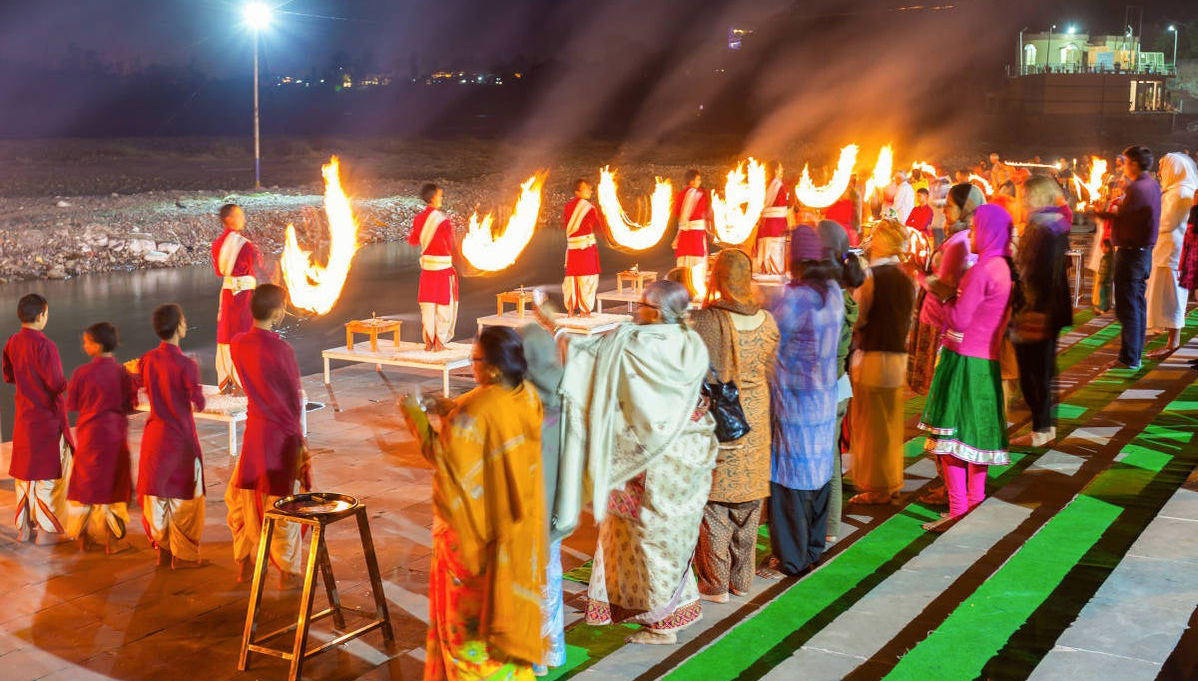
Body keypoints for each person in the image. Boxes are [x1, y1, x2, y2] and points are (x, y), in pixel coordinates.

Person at [558, 280, 717, 645]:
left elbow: (586, 357)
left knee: (647, 542)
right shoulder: (688, 340)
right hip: (685, 456)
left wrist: (558, 332)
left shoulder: (638, 345)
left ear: (657, 312)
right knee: (669, 540)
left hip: (645, 463)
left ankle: (661, 625)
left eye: (642, 305)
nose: (636, 312)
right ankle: (674, 607)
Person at [406, 326, 548, 679]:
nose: (471, 366)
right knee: (505, 618)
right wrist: (449, 408)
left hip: (472, 538)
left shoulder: (476, 408)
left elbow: (445, 459)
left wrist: (415, 417)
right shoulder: (527, 396)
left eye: (475, 360)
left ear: (495, 368)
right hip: (515, 531)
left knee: (469, 635)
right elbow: (489, 434)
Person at [919, 205, 1014, 531]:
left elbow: (959, 319)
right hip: (987, 361)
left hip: (962, 360)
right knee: (976, 441)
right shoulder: (1002, 267)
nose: (970, 235)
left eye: (975, 229)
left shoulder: (981, 270)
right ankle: (974, 505)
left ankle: (959, 509)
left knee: (952, 443)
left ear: (988, 232)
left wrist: (936, 293)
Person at [691, 249, 779, 598]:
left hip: (723, 420)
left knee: (715, 506)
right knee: (749, 504)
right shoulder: (768, 321)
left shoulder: (708, 320)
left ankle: (715, 583)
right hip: (755, 418)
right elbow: (771, 365)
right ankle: (742, 581)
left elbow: (697, 370)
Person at [759, 226, 842, 577]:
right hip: (824, 398)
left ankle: (790, 558)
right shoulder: (832, 292)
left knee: (789, 482)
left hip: (795, 404)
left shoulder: (795, 298)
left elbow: (767, 333)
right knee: (819, 476)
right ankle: (811, 548)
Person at [225, 284, 311, 586]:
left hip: (255, 433)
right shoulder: (282, 349)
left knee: (245, 500)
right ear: (277, 312)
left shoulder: (237, 343)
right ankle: (288, 572)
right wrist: (300, 440)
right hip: (280, 436)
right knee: (282, 503)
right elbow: (291, 398)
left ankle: (245, 563)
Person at [517, 295, 568, 677]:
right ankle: (548, 654)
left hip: (523, 514)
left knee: (524, 584)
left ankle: (526, 653)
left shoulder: (518, 405)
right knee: (549, 580)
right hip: (554, 514)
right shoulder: (564, 398)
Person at [848, 220, 915, 505]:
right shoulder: (906, 276)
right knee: (890, 424)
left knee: (872, 425)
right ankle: (891, 480)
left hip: (874, 355)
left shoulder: (871, 276)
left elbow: (858, 317)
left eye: (874, 236)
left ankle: (877, 487)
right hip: (898, 356)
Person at [138, 304, 207, 568]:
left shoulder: (147, 359)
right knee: (185, 500)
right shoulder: (186, 364)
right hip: (180, 439)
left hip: (155, 437)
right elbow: (198, 402)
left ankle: (163, 550)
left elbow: (139, 383)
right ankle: (184, 555)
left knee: (158, 496)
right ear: (179, 327)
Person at [3, 293, 72, 544]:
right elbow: (56, 383)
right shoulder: (45, 345)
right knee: (48, 475)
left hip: (24, 417)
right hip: (46, 418)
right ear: (41, 315)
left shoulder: (12, 342)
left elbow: (9, 375)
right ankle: (46, 533)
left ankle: (24, 529)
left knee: (25, 475)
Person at [1011, 177, 1074, 448]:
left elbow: (1040, 275)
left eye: (1024, 195)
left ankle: (1041, 429)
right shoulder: (1052, 224)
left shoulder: (1042, 228)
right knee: (1041, 370)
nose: (1021, 201)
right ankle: (1043, 428)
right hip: (1046, 308)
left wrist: (1033, 310)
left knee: (1035, 372)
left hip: (1037, 310)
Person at [64, 322, 136, 553]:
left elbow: (73, 403)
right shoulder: (122, 373)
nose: (84, 345)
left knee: (84, 485)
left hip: (89, 436)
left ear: (96, 345)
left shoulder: (81, 373)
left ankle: (83, 538)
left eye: (87, 342)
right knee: (115, 486)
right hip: (114, 436)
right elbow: (130, 404)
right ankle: (112, 541)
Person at [908, 183, 983, 396]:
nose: (944, 211)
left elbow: (945, 287)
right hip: (939, 319)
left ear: (965, 208)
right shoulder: (963, 237)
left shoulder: (962, 242)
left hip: (941, 323)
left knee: (939, 388)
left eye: (949, 206)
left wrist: (915, 273)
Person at [1093, 145, 1162, 370]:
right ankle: (1132, 355)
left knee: (1129, 307)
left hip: (1131, 254)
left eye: (1124, 162)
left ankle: (1130, 358)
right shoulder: (1151, 184)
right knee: (1137, 306)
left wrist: (1100, 213)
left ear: (1133, 163)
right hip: (1142, 253)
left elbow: (1125, 219)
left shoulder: (1139, 188)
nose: (1122, 166)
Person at [817, 220, 864, 543]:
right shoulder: (843, 296)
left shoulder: (826, 297)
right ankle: (831, 524)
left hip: (825, 386)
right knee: (830, 457)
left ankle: (825, 525)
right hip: (838, 384)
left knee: (822, 459)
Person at [1146, 152, 1198, 358]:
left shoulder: (1180, 192)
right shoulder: (1174, 190)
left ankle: (1172, 343)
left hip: (1173, 253)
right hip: (1165, 251)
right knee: (1165, 297)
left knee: (1173, 298)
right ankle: (1168, 339)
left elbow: (1167, 223)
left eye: (1163, 167)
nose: (1160, 172)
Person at [212, 204, 260, 392]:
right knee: (244, 333)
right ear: (229, 219)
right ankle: (243, 382)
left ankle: (227, 380)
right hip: (243, 296)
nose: (243, 218)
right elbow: (256, 268)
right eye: (239, 215)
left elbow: (220, 272)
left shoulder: (218, 244)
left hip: (227, 294)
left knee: (227, 334)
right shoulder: (244, 245)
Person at [409, 183, 459, 352]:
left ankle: (429, 342)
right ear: (433, 197)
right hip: (443, 269)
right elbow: (450, 245)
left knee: (428, 305)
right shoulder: (442, 221)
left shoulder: (418, 219)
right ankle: (440, 342)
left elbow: (413, 240)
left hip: (427, 270)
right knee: (444, 306)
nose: (441, 198)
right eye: (440, 195)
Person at [562, 178, 603, 317]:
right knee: (587, 278)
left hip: (572, 249)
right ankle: (585, 311)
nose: (590, 190)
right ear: (577, 191)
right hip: (586, 249)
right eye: (587, 188)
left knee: (572, 278)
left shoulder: (568, 207)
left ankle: (570, 311)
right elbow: (599, 227)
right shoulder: (589, 208)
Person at [673, 169, 713, 289]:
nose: (700, 182)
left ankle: (683, 286)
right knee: (697, 261)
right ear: (691, 181)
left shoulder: (681, 194)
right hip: (696, 234)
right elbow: (706, 212)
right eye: (698, 179)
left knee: (684, 260)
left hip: (685, 233)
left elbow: (677, 213)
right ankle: (696, 287)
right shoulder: (700, 194)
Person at [755, 162, 792, 274]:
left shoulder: (764, 184)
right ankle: (774, 274)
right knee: (775, 254)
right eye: (780, 168)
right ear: (775, 170)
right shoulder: (778, 185)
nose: (782, 170)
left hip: (766, 225)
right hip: (776, 226)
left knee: (768, 252)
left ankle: (767, 272)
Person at [1095, 239, 1114, 313]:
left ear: (1108, 248)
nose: (1102, 248)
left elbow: (1104, 271)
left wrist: (1101, 280)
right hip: (1108, 280)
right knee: (1106, 295)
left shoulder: (1106, 258)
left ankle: (1103, 309)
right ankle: (1105, 308)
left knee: (1103, 295)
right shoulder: (1111, 257)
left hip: (1105, 280)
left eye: (1103, 246)